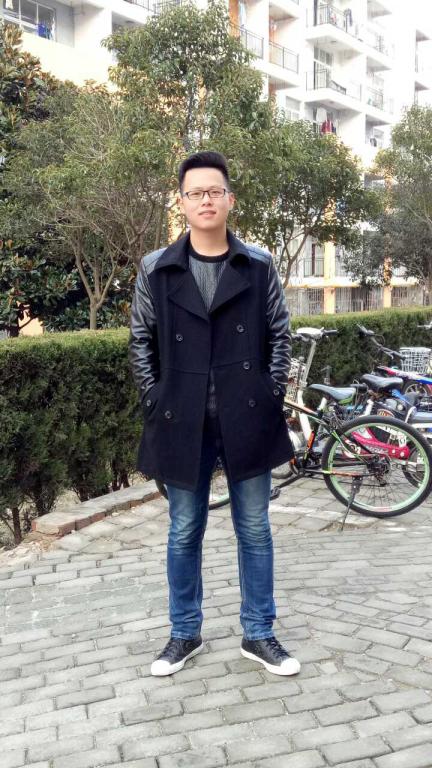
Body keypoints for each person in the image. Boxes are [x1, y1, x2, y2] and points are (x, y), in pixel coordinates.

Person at [129, 150, 300, 678]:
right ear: (181, 202)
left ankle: (259, 632)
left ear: (229, 199)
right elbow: (140, 340)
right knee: (184, 530)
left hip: (247, 415)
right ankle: (184, 632)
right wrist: (156, 398)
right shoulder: (156, 268)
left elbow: (280, 335)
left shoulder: (258, 265)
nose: (206, 200)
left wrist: (269, 392)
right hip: (182, 420)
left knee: (255, 528)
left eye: (214, 191)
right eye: (195, 192)